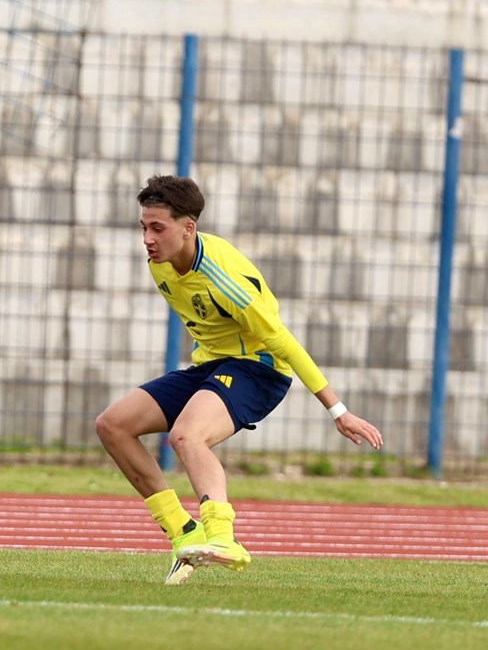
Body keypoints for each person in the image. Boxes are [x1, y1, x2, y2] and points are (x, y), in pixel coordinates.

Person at [95, 175, 382, 585]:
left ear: (188, 228)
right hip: (212, 366)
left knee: (187, 436)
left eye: (157, 228)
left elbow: (285, 344)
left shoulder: (224, 279)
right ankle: (184, 533)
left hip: (260, 369)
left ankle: (223, 539)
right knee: (112, 425)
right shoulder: (160, 266)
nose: (148, 239)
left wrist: (339, 411)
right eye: (144, 227)